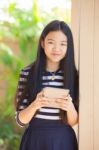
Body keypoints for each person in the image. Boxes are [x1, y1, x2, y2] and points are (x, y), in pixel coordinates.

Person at [15, 20, 79, 150]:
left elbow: (73, 122)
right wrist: (35, 105)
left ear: (69, 47)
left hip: (64, 140)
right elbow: (20, 120)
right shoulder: (27, 73)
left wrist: (70, 107)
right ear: (42, 43)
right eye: (51, 42)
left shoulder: (74, 76)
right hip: (34, 140)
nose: (57, 49)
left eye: (63, 44)